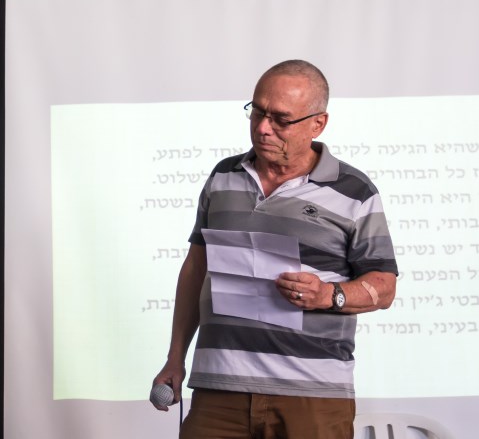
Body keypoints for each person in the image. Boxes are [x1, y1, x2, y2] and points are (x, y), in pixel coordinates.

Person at [151, 60, 397, 439]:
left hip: (311, 395)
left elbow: (384, 286)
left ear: (318, 124)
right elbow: (196, 270)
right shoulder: (223, 177)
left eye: (281, 119)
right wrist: (175, 357)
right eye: (257, 112)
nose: (263, 128)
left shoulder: (354, 191)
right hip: (219, 387)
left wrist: (328, 295)